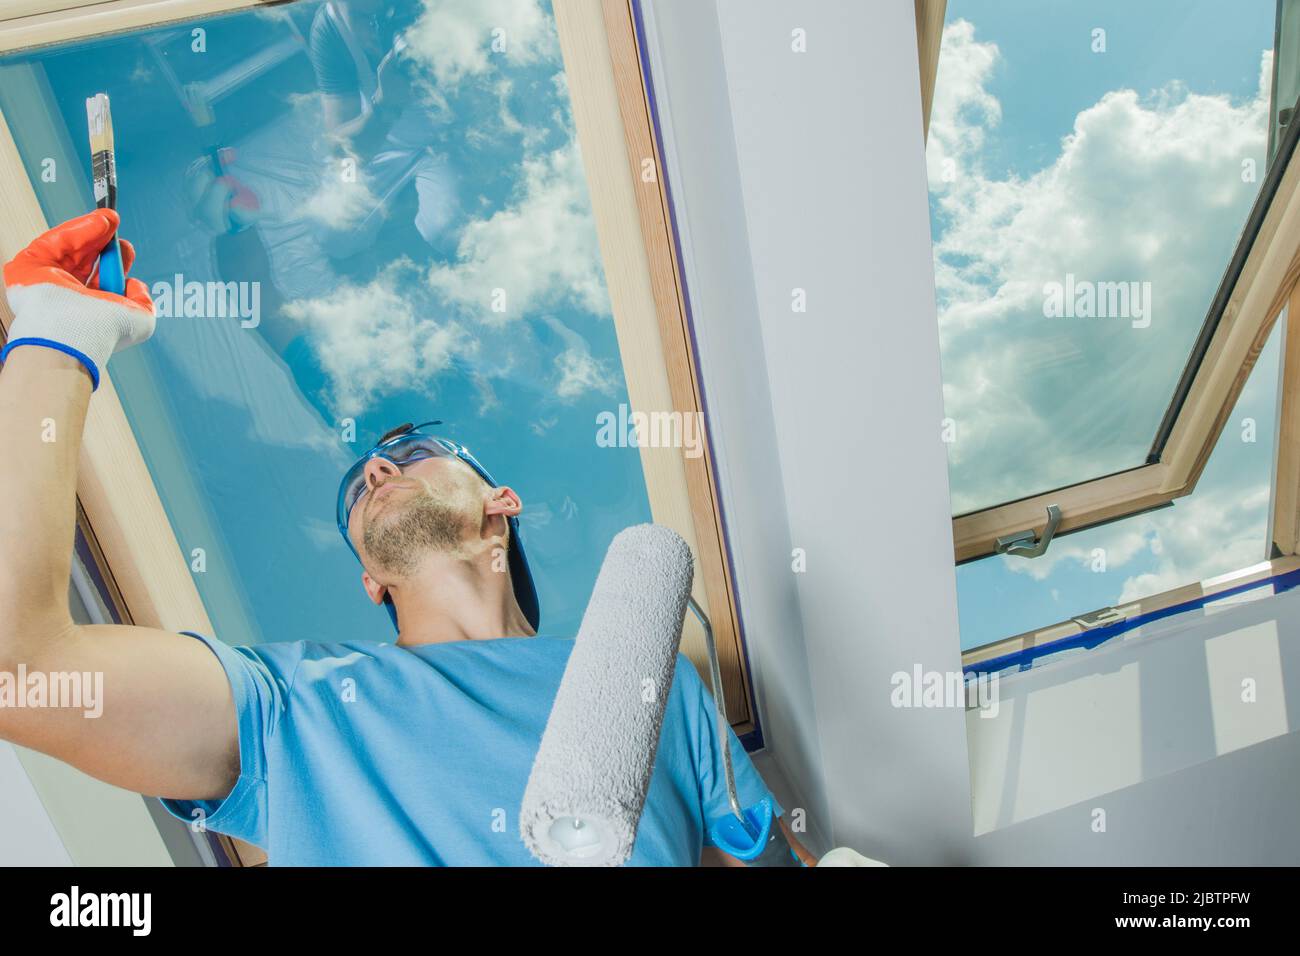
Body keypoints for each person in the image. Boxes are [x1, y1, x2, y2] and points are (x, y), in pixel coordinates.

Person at [0, 211, 816, 866]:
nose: (379, 473)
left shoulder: (653, 688)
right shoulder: (294, 707)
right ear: (370, 581)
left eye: (412, 455)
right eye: (359, 488)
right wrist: (56, 339)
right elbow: (18, 668)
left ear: (501, 502)